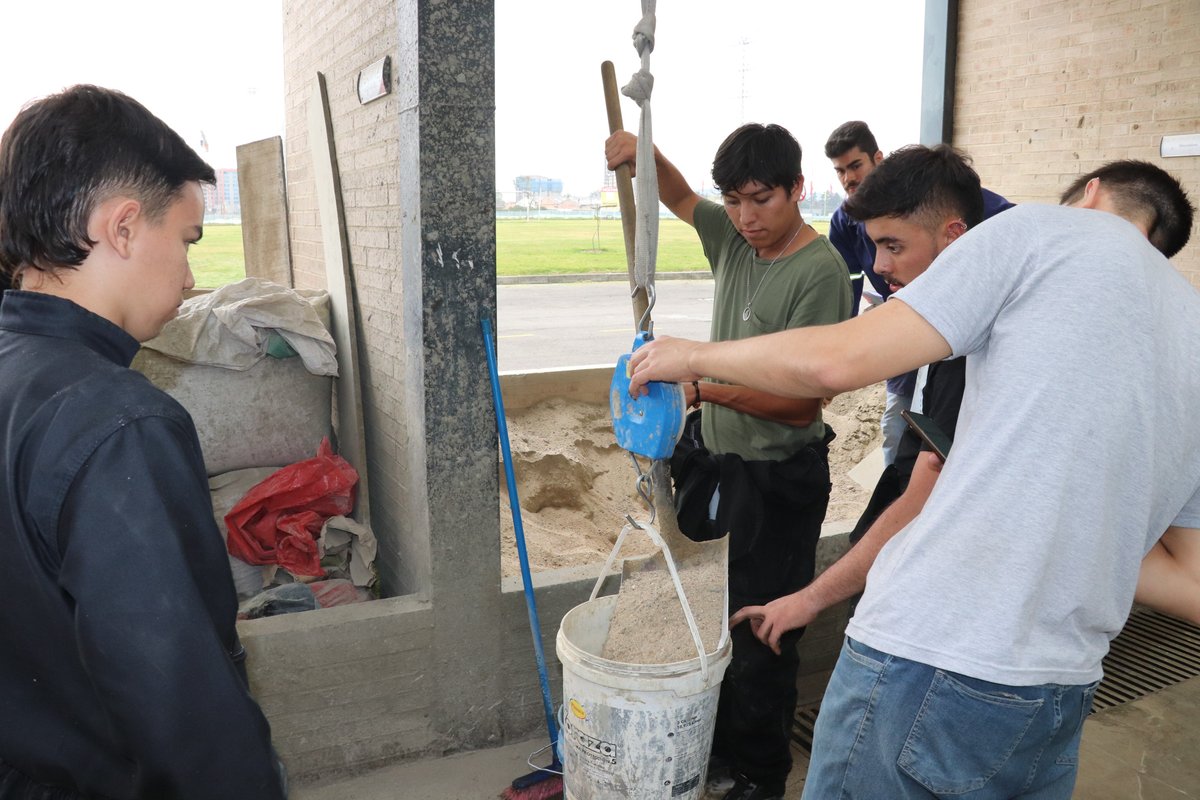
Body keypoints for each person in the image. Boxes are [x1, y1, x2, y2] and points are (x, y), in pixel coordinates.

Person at [627, 158, 1197, 798]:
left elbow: (834, 364)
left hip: (932, 661)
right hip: (1060, 688)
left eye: (892, 245)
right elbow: (1189, 579)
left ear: (1089, 193)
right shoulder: (1189, 326)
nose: (880, 265)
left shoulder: (1036, 234)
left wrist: (692, 357)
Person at [0, 86, 287, 799]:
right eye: (187, 240)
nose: (190, 279)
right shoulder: (118, 425)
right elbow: (186, 714)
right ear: (123, 227)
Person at [606, 123, 851, 800]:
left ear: (797, 189)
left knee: (758, 630)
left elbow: (802, 406)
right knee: (696, 607)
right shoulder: (734, 240)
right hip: (714, 464)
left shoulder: (819, 273)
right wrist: (642, 153)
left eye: (761, 199)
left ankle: (760, 774)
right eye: (735, 201)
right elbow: (680, 197)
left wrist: (700, 385)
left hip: (777, 480)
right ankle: (709, 746)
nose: (746, 217)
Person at [824, 121, 1014, 468]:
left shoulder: (981, 213)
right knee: (901, 430)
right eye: (840, 171)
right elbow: (850, 288)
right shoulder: (844, 221)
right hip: (908, 333)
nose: (878, 267)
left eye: (893, 245)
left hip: (948, 342)